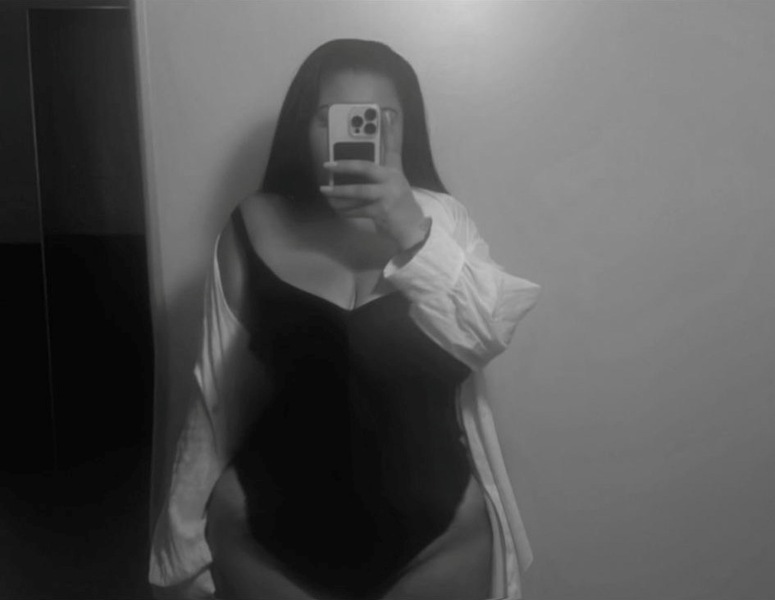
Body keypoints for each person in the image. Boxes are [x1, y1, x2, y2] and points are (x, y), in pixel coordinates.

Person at [149, 39, 541, 600]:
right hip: (262, 540)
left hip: (441, 543)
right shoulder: (252, 225)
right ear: (303, 128)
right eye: (333, 116)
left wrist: (410, 230)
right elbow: (214, 394)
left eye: (383, 117)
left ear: (406, 128)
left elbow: (486, 334)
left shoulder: (441, 220)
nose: (362, 130)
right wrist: (184, 545)